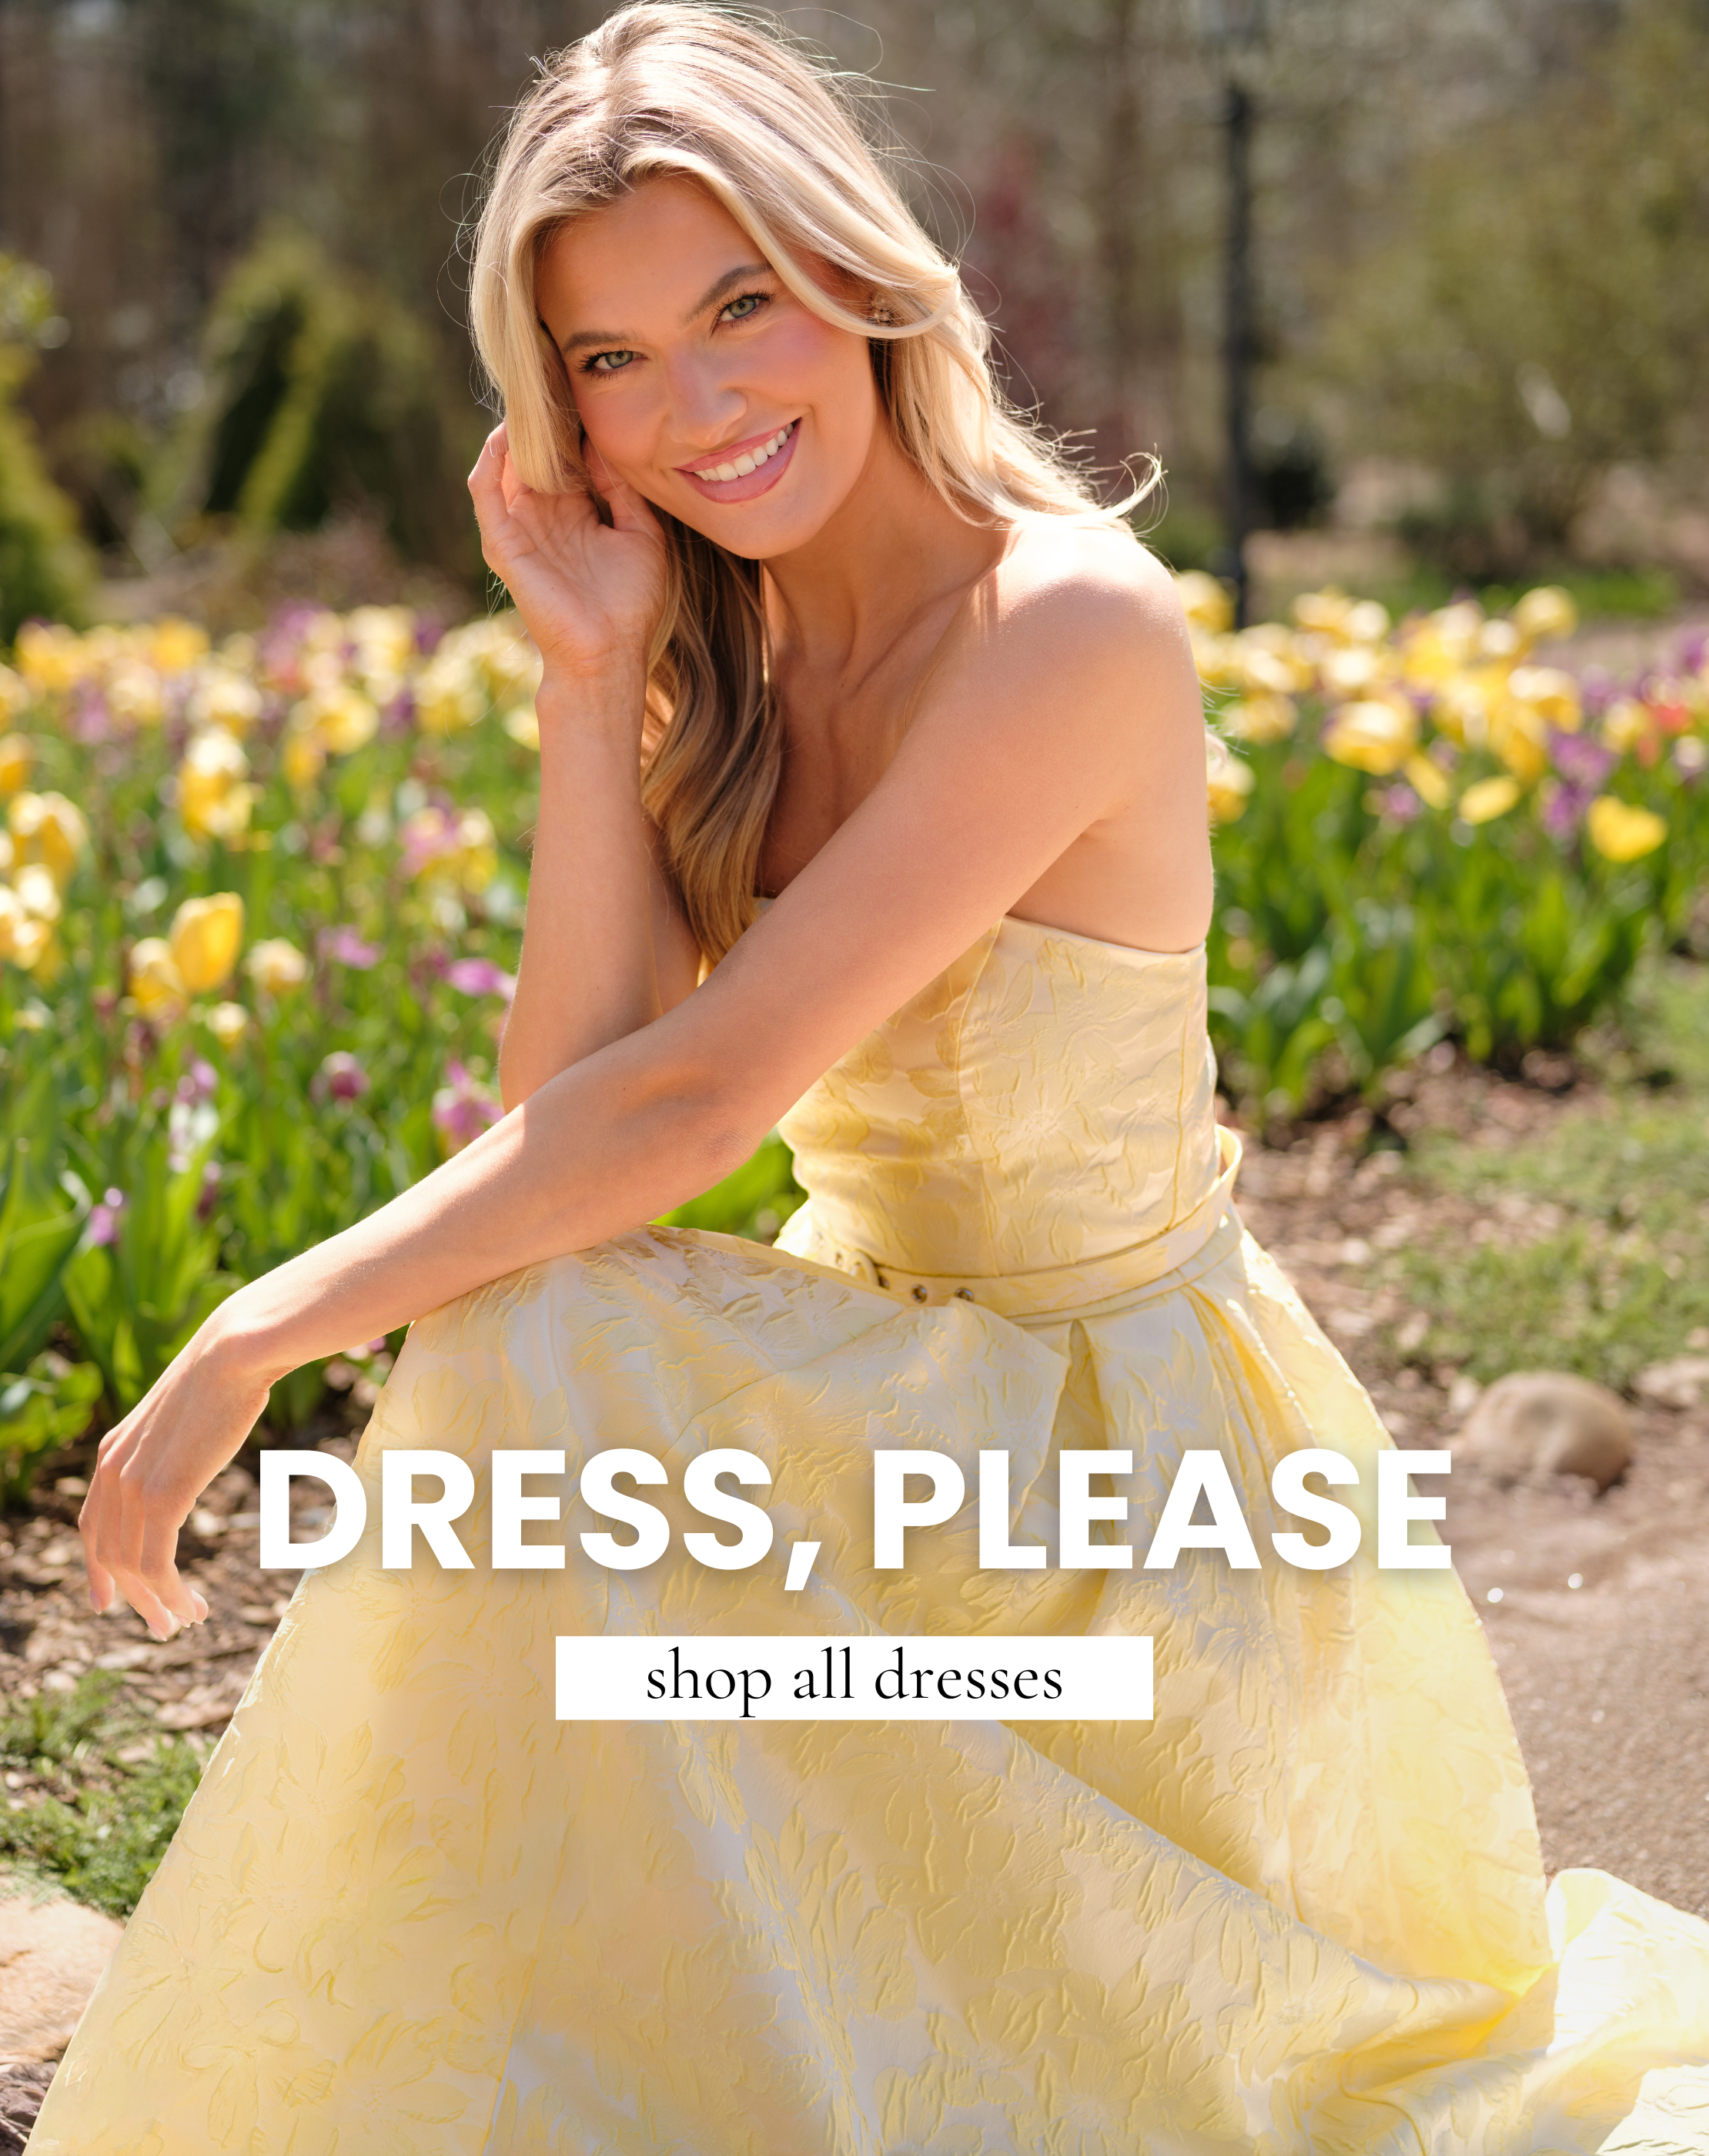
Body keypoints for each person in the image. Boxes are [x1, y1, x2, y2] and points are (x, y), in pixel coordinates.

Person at [31, 7, 1709, 2151]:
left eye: (738, 305)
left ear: (858, 273)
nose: (698, 405)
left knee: (532, 1344)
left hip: (1129, 1494)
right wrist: (591, 674)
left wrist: (254, 1330)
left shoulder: (1064, 628)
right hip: (908, 1428)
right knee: (537, 1316)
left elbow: (678, 1116)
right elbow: (577, 1095)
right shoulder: (720, 657)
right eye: (612, 363)